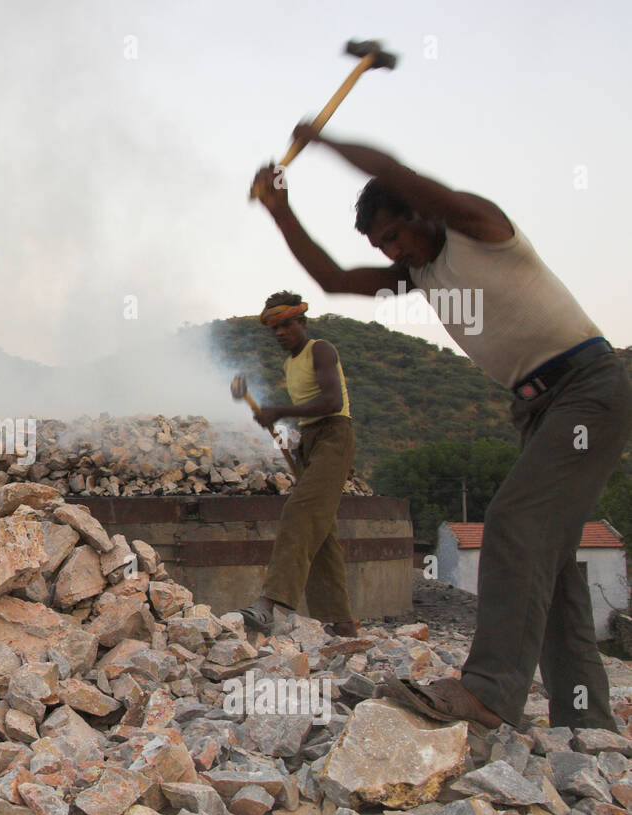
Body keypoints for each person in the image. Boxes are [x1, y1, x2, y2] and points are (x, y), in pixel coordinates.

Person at [250, 126, 632, 731]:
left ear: (422, 212)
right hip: (537, 409)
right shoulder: (418, 274)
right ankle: (587, 723)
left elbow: (399, 172)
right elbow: (332, 278)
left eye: (395, 234)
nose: (391, 252)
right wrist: (282, 209)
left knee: (511, 522)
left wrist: (320, 141)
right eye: (381, 245)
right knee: (551, 562)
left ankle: (487, 693)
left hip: (587, 386)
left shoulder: (479, 227)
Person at [238, 291, 359, 640]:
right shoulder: (288, 364)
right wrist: (284, 426)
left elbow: (332, 400)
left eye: (287, 324)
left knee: (300, 511)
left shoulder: (320, 349)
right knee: (322, 532)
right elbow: (308, 409)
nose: (280, 333)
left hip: (335, 437)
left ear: (302, 322)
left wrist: (280, 411)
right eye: (274, 328)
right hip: (310, 440)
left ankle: (268, 603)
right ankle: (343, 622)